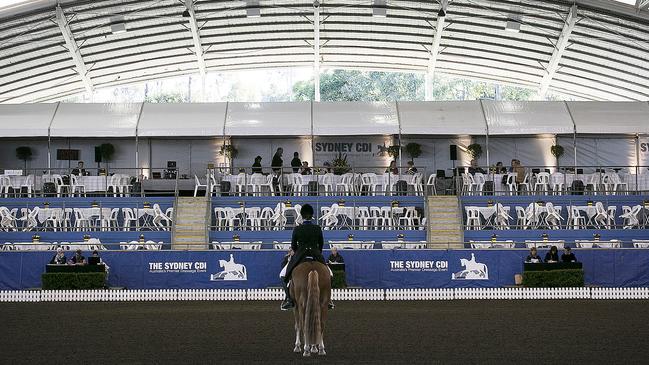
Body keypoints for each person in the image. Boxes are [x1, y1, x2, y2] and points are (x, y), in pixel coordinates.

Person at [280, 204, 333, 310]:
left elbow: (293, 246)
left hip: (300, 255)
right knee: (330, 275)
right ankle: (328, 300)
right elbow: (321, 244)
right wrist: (317, 253)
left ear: (302, 216)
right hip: (316, 255)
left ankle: (289, 300)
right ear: (312, 216)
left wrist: (297, 252)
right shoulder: (317, 228)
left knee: (283, 275)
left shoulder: (297, 229)